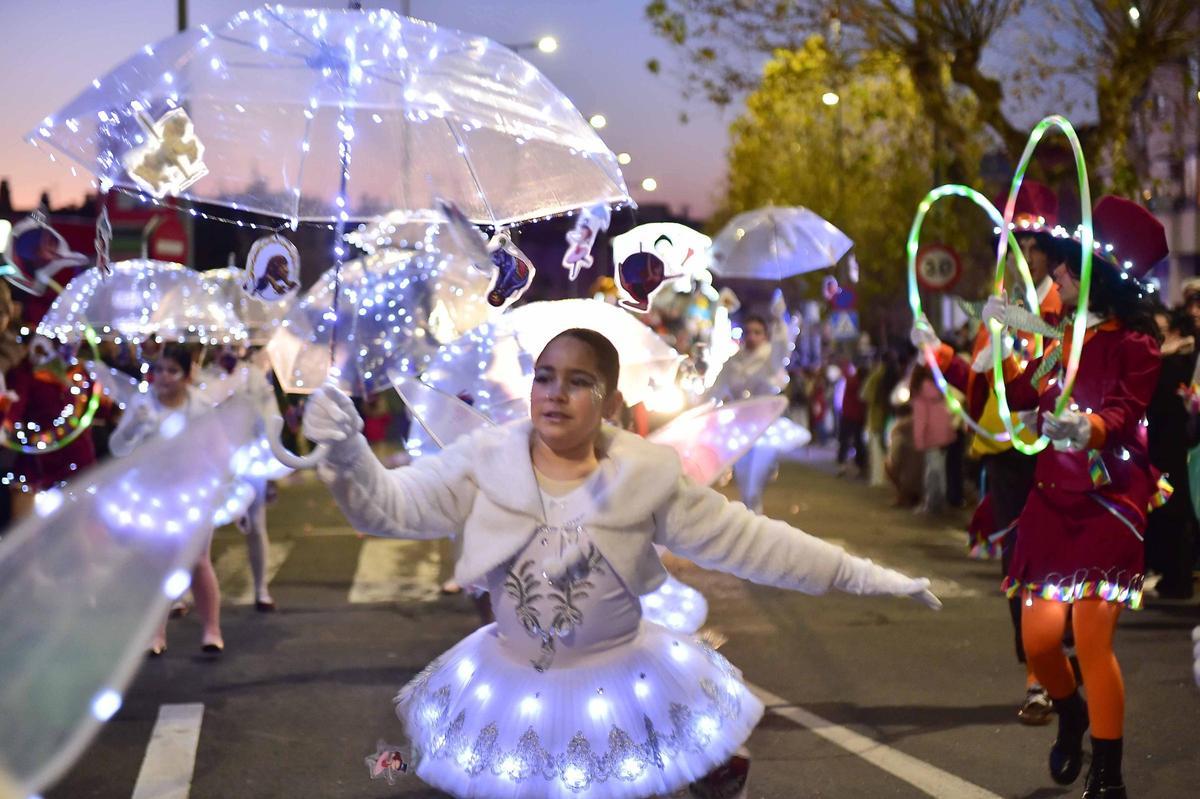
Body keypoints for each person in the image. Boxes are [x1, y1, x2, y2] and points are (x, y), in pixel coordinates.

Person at [305, 327, 941, 799]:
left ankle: (718, 773)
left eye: (578, 381)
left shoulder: (646, 475)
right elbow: (384, 509)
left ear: (609, 401)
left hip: (621, 687)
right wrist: (345, 450)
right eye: (545, 376)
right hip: (508, 689)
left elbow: (755, 543)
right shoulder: (481, 461)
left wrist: (870, 577)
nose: (555, 394)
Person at [922, 195, 1164, 797]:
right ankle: (1072, 713)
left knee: (1090, 638)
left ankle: (1108, 773)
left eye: (1062, 268)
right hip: (1052, 498)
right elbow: (1019, 394)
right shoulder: (1060, 339)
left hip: (1110, 501)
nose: (1052, 277)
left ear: (1094, 274)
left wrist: (1091, 427)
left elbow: (1124, 409)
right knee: (1037, 642)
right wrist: (969, 360)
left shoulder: (1137, 346)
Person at [913, 180, 1065, 724]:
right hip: (1004, 451)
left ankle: (1054, 671)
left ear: (1051, 250)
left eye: (1030, 243)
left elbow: (1062, 362)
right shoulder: (1001, 302)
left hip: (1057, 446)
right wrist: (939, 350)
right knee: (1018, 563)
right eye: (1014, 242)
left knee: (1055, 561)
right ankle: (1037, 672)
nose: (1021, 253)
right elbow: (977, 383)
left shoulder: (1067, 299)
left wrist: (1027, 352)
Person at [110, 344, 225, 654]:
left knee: (198, 562)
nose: (163, 377)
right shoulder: (142, 404)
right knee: (157, 564)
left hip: (193, 497)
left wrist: (218, 486)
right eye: (158, 370)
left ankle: (211, 630)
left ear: (187, 375)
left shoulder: (200, 406)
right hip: (154, 497)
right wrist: (134, 425)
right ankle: (156, 635)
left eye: (172, 370)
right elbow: (118, 447)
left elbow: (219, 452)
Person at [704, 295, 794, 512]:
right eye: (749, 332)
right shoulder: (733, 363)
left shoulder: (770, 360)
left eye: (758, 332)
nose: (752, 337)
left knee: (755, 482)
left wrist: (780, 317)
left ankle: (755, 520)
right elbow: (715, 390)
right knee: (745, 480)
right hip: (739, 428)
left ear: (765, 335)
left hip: (764, 427)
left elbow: (782, 345)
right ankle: (752, 521)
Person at [1145, 307, 1197, 599]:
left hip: (1175, 447)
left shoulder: (1178, 362)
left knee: (1175, 511)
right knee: (1165, 509)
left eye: (1162, 333)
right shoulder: (1164, 360)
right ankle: (1169, 573)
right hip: (1161, 446)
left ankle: (1177, 577)